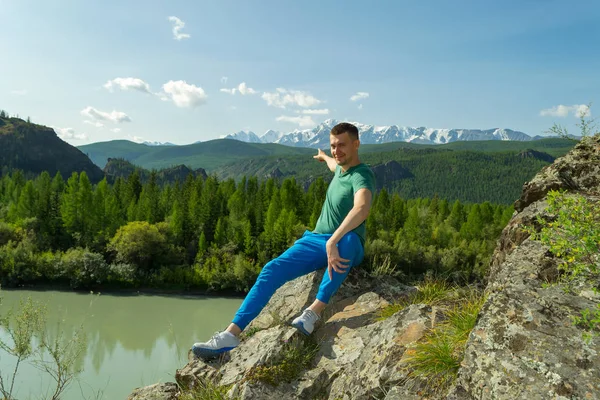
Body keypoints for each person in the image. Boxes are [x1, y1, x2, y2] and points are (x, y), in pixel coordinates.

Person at [191, 122, 375, 360]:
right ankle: (231, 334)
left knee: (346, 242)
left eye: (342, 145)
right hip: (316, 239)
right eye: (332, 146)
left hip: (347, 243)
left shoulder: (363, 175)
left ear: (356, 144)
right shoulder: (339, 166)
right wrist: (323, 157)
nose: (336, 151)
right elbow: (333, 165)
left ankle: (313, 312)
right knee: (271, 269)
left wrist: (333, 241)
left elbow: (362, 208)